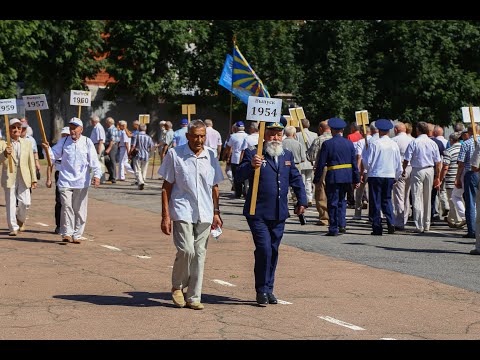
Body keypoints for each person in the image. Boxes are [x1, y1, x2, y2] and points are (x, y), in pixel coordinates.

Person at [236, 120, 307, 306]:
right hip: (257, 212)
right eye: (271, 134)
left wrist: (302, 201)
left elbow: (296, 179)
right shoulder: (254, 153)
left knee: (273, 251)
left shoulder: (287, 154)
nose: (275, 138)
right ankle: (261, 289)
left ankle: (269, 288)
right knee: (264, 249)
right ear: (264, 135)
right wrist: (251, 165)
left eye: (278, 134)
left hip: (279, 213)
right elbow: (238, 176)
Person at [159, 119, 223, 310]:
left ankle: (194, 296)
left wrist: (217, 212)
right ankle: (177, 286)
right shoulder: (175, 154)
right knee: (187, 250)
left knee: (200, 254)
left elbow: (215, 187)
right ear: (187, 136)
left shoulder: (211, 156)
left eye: (202, 136)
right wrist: (165, 216)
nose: (199, 139)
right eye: (195, 136)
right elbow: (166, 187)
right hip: (182, 209)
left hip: (205, 211)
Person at [41, 117, 102, 244]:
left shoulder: (87, 142)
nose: (72, 130)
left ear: (81, 129)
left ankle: (77, 234)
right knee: (66, 206)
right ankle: (67, 233)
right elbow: (52, 157)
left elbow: (94, 160)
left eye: (75, 128)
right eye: (71, 128)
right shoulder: (63, 142)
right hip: (65, 181)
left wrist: (97, 175)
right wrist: (47, 149)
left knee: (79, 209)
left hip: (81, 181)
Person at [313, 118, 360, 236]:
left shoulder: (327, 144)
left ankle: (333, 227)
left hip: (333, 176)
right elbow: (354, 163)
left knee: (333, 202)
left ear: (332, 130)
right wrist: (356, 178)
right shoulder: (349, 143)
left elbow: (321, 163)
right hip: (346, 176)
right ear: (343, 130)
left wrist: (317, 178)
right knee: (342, 201)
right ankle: (342, 224)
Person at [362, 119, 402, 235]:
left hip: (376, 174)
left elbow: (368, 162)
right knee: (387, 199)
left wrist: (366, 170)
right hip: (389, 174)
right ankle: (391, 222)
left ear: (379, 131)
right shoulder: (394, 144)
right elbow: (398, 163)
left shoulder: (375, 144)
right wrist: (396, 176)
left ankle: (377, 226)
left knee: (375, 201)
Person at [0, 118, 38, 236]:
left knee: (26, 202)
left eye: (18, 127)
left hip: (24, 176)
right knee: (11, 202)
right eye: (13, 127)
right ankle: (13, 227)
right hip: (9, 176)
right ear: (9, 129)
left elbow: (31, 162)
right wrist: (5, 153)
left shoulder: (27, 143)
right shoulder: (3, 143)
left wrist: (34, 178)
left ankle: (20, 219)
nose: (16, 130)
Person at [403, 121, 442, 233]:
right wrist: (437, 176)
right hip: (430, 169)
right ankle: (426, 224)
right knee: (427, 197)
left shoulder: (414, 142)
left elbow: (406, 159)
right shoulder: (432, 143)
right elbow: (438, 162)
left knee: (416, 197)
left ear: (418, 130)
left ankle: (419, 225)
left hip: (417, 169)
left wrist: (403, 169)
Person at [45, 127, 71, 234]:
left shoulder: (74, 147)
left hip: (71, 176)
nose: (65, 137)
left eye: (67, 135)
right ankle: (59, 225)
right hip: (59, 175)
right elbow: (50, 164)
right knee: (60, 201)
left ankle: (70, 226)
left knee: (71, 202)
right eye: (63, 135)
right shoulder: (57, 147)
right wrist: (48, 179)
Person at [307, 120, 332, 226]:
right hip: (336, 169)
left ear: (321, 129)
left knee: (321, 192)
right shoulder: (336, 139)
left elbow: (311, 156)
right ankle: (334, 215)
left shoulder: (319, 139)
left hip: (323, 168)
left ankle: (324, 217)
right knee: (333, 192)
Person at [391, 121, 413, 230]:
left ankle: (399, 221)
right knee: (406, 195)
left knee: (399, 196)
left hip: (400, 168)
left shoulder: (394, 141)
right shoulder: (412, 140)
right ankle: (404, 218)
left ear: (395, 130)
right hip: (411, 168)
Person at [225, 121, 248, 198]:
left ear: (236, 128)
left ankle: (238, 193)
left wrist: (227, 157)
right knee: (245, 176)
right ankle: (245, 192)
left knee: (236, 176)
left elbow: (228, 147)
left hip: (235, 159)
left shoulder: (233, 136)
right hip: (245, 158)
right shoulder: (247, 136)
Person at [130, 123, 155, 190]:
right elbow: (152, 147)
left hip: (137, 154)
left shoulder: (136, 136)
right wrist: (150, 153)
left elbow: (133, 146)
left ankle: (140, 182)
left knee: (137, 169)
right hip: (146, 155)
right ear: (145, 129)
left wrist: (130, 153)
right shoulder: (148, 137)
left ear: (138, 128)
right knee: (144, 169)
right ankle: (143, 180)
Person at [89, 115, 107, 183]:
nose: (90, 122)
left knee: (95, 162)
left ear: (94, 121)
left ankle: (93, 178)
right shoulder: (96, 127)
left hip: (98, 145)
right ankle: (101, 179)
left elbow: (100, 139)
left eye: (91, 121)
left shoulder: (98, 127)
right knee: (101, 163)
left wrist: (98, 149)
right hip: (97, 145)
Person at [104, 117, 119, 183]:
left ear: (109, 123)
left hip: (111, 146)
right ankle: (111, 175)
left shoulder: (112, 129)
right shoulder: (109, 129)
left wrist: (109, 149)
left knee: (112, 161)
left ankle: (113, 177)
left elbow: (112, 140)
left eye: (106, 122)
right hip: (109, 145)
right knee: (107, 161)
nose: (105, 123)